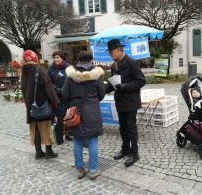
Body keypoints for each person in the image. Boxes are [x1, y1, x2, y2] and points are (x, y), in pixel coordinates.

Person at [62, 51, 106, 180]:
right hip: (92, 110)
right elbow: (101, 93)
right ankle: (93, 170)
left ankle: (80, 169)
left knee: (77, 140)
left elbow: (65, 93)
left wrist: (73, 101)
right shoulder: (96, 74)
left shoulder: (70, 75)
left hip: (76, 110)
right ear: (91, 60)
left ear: (78, 60)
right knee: (93, 140)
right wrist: (93, 100)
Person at [105, 39, 146, 167]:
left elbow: (141, 81)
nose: (110, 54)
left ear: (118, 49)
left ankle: (134, 153)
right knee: (122, 128)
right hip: (120, 101)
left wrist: (125, 86)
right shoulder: (114, 65)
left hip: (131, 101)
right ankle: (125, 149)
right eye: (109, 52)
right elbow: (113, 84)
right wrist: (100, 90)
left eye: (111, 51)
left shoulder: (131, 62)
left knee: (131, 128)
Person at [21, 50, 59, 159]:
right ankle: (49, 152)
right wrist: (55, 102)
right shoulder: (39, 70)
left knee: (35, 129)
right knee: (46, 128)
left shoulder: (24, 71)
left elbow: (24, 90)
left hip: (31, 107)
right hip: (43, 105)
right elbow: (48, 87)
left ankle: (38, 152)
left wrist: (28, 104)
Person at [47, 51, 71, 144]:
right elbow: (48, 82)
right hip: (56, 96)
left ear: (62, 58)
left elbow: (71, 80)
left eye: (58, 57)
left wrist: (65, 90)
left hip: (67, 96)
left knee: (68, 116)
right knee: (59, 117)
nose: (56, 59)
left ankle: (68, 134)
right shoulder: (50, 69)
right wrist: (57, 89)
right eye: (54, 57)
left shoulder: (68, 68)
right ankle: (59, 137)